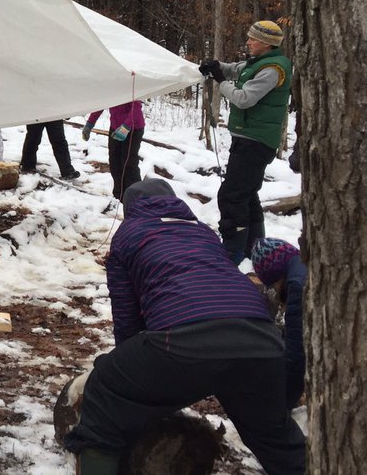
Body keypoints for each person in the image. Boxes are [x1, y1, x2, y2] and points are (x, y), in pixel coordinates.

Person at [65, 178, 305, 475]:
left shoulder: (128, 234)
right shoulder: (202, 232)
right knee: (275, 437)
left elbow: (127, 319)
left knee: (104, 389)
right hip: (261, 340)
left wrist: (128, 374)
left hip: (183, 340)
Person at [199, 20, 293, 263]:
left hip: (256, 141)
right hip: (249, 137)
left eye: (253, 39)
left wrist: (220, 81)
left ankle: (231, 254)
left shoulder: (273, 70)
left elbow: (243, 99)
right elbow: (235, 69)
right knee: (247, 194)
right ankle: (255, 250)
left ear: (266, 43)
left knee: (232, 196)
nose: (248, 41)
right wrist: (217, 66)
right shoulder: (260, 63)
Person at [251, 237, 307, 410]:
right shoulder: (303, 266)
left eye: (273, 285)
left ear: (275, 275)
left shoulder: (297, 288)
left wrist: (282, 405)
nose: (275, 291)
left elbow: (296, 356)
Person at [82, 101, 145, 199]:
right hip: (115, 128)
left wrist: (125, 127)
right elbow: (101, 104)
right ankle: (119, 196)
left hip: (133, 128)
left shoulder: (130, 86)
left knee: (128, 163)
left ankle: (136, 197)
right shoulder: (109, 87)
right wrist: (89, 124)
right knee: (114, 161)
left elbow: (136, 109)